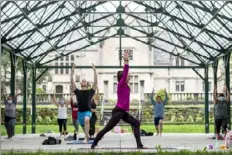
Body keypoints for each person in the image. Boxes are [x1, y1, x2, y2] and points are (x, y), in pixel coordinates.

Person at [91, 51, 146, 149]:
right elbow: (125, 72)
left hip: (123, 112)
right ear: (123, 78)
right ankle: (94, 143)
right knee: (107, 128)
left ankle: (139, 145)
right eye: (128, 75)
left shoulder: (125, 86)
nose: (129, 76)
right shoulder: (121, 84)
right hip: (118, 111)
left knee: (136, 123)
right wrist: (126, 61)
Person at [70, 63, 98, 143]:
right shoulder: (78, 92)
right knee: (85, 127)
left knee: (86, 120)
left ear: (87, 83)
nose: (83, 81)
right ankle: (87, 135)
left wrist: (94, 70)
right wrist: (72, 72)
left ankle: (86, 138)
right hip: (80, 113)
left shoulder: (90, 92)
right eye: (82, 81)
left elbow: (95, 82)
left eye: (85, 80)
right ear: (81, 84)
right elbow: (72, 83)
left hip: (87, 111)